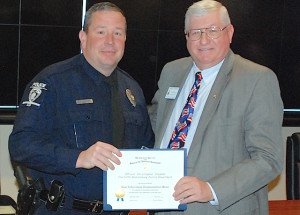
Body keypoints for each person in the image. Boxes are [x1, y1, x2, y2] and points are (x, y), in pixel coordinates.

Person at [9, 2, 153, 215]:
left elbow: (146, 149)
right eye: (101, 32)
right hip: (62, 210)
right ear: (83, 38)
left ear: (125, 39)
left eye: (117, 33)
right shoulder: (53, 82)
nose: (110, 41)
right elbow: (21, 145)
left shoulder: (132, 91)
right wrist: (78, 158)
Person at [149, 0, 284, 214]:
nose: (203, 40)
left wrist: (210, 189)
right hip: (162, 205)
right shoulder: (171, 72)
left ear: (229, 33)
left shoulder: (257, 79)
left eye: (212, 30)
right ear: (186, 36)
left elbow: (268, 159)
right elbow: (155, 128)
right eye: (195, 32)